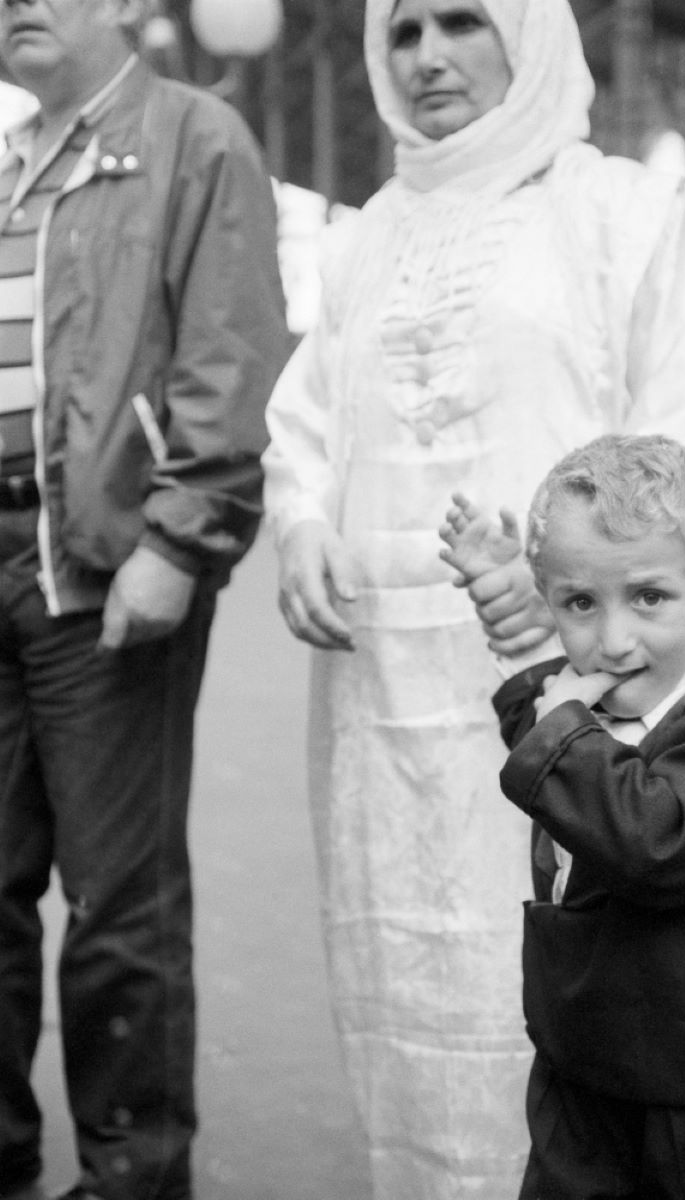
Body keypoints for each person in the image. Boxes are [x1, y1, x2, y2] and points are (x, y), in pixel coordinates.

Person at [262, 0, 685, 1195]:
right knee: (409, 982)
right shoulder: (370, 234)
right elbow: (306, 423)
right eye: (404, 32)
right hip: (386, 704)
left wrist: (599, 609)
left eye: (463, 23)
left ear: (532, 36)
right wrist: (304, 524)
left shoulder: (621, 213)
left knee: (583, 977)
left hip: (587, 686)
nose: (427, 56)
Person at [0, 2, 288, 1198]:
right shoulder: (14, 158)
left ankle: (134, 1176)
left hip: (105, 561)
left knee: (119, 899)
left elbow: (228, 349)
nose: (16, 3)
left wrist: (182, 535)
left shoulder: (194, 136)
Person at [442, 433, 685, 1200]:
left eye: (648, 597)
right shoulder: (591, 711)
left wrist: (559, 730)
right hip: (589, 1062)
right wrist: (496, 599)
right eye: (578, 602)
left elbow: (651, 841)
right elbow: (544, 726)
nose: (612, 640)